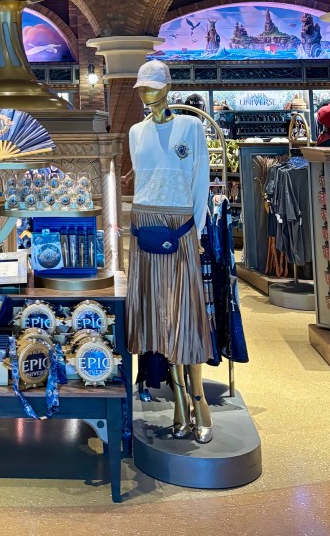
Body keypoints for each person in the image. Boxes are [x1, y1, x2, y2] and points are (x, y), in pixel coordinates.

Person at [126, 59, 214, 444]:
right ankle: (178, 403)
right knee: (158, 320)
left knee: (185, 318)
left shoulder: (190, 127)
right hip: (145, 226)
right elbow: (141, 180)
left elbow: (201, 181)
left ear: (167, 87)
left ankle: (199, 403)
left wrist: (198, 229)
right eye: (142, 88)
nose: (147, 94)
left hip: (180, 226)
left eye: (153, 86)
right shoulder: (136, 131)